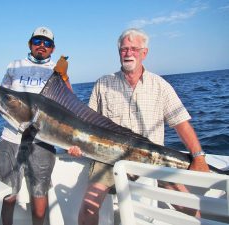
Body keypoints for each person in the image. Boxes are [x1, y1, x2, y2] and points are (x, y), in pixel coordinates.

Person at [68, 28, 209, 225]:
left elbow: (180, 122)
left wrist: (198, 156)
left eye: (134, 49)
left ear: (145, 53)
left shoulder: (160, 85)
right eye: (124, 49)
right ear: (119, 53)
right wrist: (78, 147)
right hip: (108, 159)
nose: (128, 53)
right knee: (88, 208)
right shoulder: (102, 84)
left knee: (188, 206)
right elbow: (86, 124)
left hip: (151, 157)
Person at [0, 26, 71, 225]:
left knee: (39, 192)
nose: (42, 46)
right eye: (37, 41)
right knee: (8, 191)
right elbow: (4, 98)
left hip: (43, 140)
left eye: (47, 43)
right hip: (11, 136)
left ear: (53, 49)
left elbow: (69, 102)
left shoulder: (56, 69)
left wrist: (63, 77)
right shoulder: (14, 65)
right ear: (30, 44)